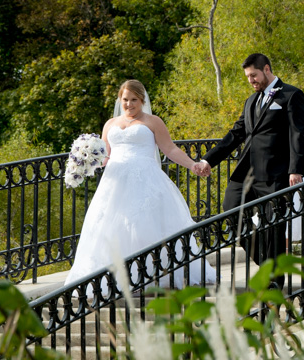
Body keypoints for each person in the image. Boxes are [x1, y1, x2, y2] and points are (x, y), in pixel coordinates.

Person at [64, 80, 216, 293]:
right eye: (125, 100)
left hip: (146, 181)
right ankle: (117, 279)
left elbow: (170, 150)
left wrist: (193, 165)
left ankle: (148, 276)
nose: (129, 104)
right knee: (113, 228)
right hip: (114, 184)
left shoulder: (153, 122)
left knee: (143, 227)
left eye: (134, 100)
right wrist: (84, 160)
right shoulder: (110, 124)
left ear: (142, 100)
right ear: (120, 100)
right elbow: (105, 157)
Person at [194, 53, 304, 289]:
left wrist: (296, 170)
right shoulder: (250, 101)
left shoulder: (291, 95)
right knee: (230, 208)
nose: (251, 80)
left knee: (274, 227)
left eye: (253, 75)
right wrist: (208, 160)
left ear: (266, 69)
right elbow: (236, 134)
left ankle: (274, 284)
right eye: (248, 77)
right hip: (246, 173)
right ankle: (266, 263)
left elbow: (299, 134)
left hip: (276, 173)